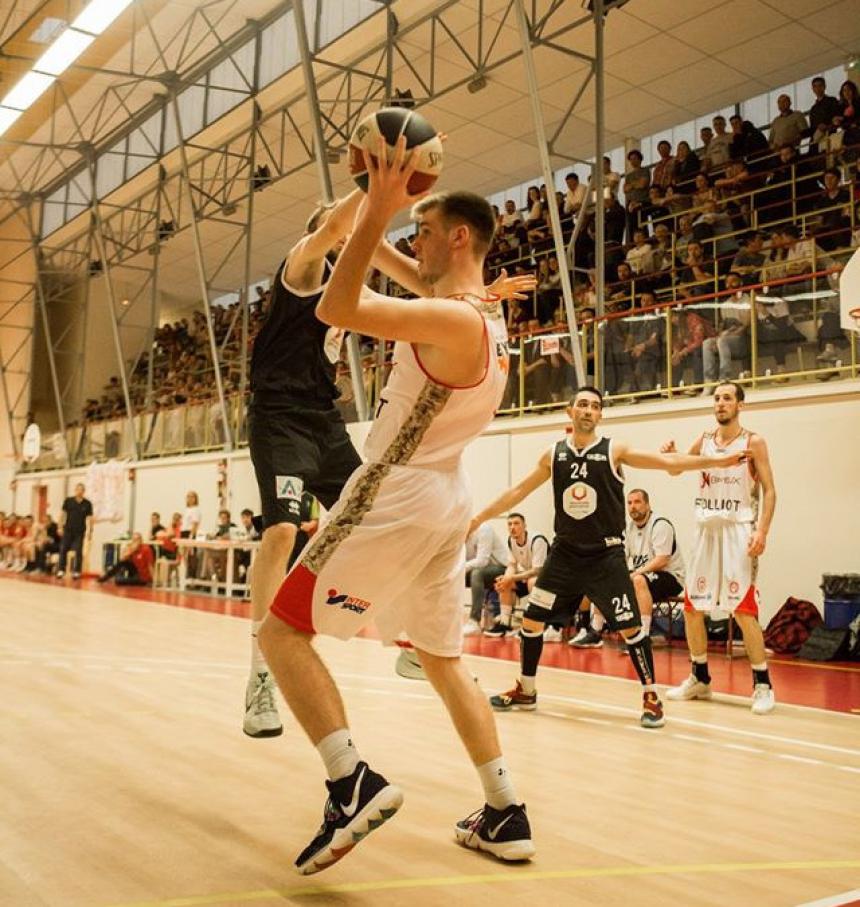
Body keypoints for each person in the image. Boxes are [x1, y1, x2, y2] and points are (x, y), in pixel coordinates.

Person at [257, 142, 534, 873]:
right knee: (444, 660)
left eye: (424, 230)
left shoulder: (457, 322)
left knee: (279, 632)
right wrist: (354, 223)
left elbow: (337, 305)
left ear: (460, 237)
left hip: (396, 490)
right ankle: (504, 809)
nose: (414, 244)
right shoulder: (481, 317)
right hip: (446, 497)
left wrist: (379, 205)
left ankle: (351, 781)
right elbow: (397, 270)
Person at [474, 387, 745, 728]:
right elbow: (516, 491)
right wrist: (477, 518)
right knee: (531, 622)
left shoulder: (614, 449)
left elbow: (668, 462)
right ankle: (527, 689)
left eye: (595, 406)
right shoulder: (553, 454)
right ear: (570, 411)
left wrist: (717, 461)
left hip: (605, 557)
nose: (588, 410)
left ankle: (651, 696)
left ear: (600, 415)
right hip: (565, 556)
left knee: (632, 629)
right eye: (583, 404)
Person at [244, 187, 365, 738]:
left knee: (378, 516)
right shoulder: (303, 266)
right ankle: (261, 673)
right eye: (340, 227)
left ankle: (411, 637)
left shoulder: (349, 287)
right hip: (280, 417)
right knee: (281, 532)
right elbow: (331, 228)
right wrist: (379, 177)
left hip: (325, 420)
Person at [662, 381, 777, 714]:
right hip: (705, 531)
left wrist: (763, 530)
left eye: (728, 398)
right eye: (717, 398)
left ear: (740, 405)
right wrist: (670, 455)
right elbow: (676, 470)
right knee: (692, 607)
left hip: (738, 530)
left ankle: (763, 685)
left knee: (742, 610)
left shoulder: (753, 442)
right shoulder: (705, 440)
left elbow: (770, 490)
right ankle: (699, 677)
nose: (721, 403)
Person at [483, 513, 549, 638]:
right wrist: (506, 579)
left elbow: (537, 570)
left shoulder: (537, 540)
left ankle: (536, 625)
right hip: (528, 576)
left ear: (524, 526)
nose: (512, 527)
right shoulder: (511, 540)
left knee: (532, 581)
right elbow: (512, 565)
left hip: (547, 580)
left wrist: (512, 578)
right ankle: (505, 624)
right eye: (510, 524)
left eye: (516, 523)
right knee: (505, 584)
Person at [463, 521, 509, 637]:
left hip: (502, 568)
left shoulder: (484, 529)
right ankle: (449, 619)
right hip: (482, 571)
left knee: (476, 573)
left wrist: (459, 569)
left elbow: (482, 561)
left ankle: (474, 621)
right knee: (451, 578)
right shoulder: (458, 536)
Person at [57, 483, 93, 579]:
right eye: (78, 489)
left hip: (80, 531)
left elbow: (90, 518)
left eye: (81, 489)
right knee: (63, 549)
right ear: (75, 490)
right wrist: (60, 526)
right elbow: (62, 514)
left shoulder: (87, 504)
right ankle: (61, 570)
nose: (79, 491)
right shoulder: (68, 501)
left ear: (84, 491)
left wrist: (90, 531)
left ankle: (76, 571)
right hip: (68, 530)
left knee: (78, 550)